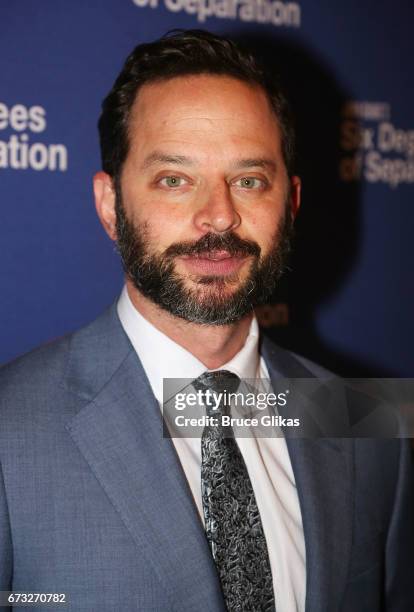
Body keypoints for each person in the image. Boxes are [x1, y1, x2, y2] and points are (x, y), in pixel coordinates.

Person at [0, 29, 413, 612]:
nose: (218, 217)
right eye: (175, 179)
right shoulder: (8, 431)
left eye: (249, 181)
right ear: (110, 205)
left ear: (289, 205)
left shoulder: (367, 425)